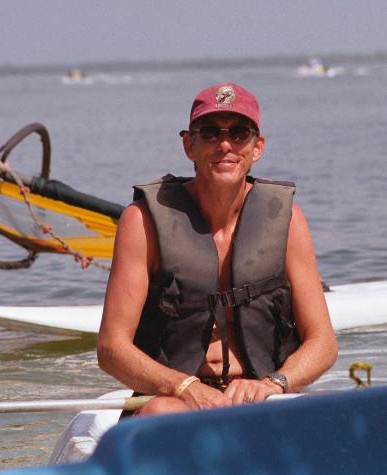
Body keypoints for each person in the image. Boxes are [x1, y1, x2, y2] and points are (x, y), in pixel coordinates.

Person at [97, 82, 338, 415]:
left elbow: (324, 344)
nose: (225, 144)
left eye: (239, 133)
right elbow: (111, 348)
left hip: (261, 393)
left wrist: (274, 383)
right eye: (210, 133)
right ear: (188, 145)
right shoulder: (141, 222)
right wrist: (183, 386)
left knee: (334, 412)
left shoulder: (289, 221)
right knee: (162, 414)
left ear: (257, 147)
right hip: (174, 399)